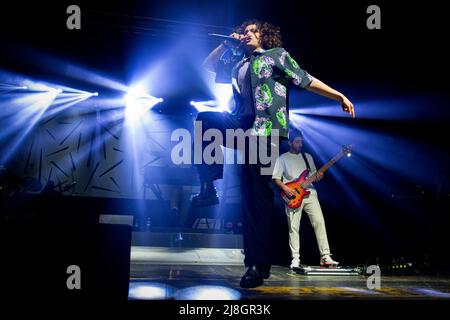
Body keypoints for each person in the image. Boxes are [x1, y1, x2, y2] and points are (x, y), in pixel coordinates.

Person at [195, 19, 355, 288]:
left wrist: (338, 96)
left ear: (264, 36)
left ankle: (257, 265)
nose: (247, 35)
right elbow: (207, 67)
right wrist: (226, 42)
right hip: (241, 125)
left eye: (252, 32)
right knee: (204, 120)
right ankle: (209, 185)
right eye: (244, 32)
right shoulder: (238, 63)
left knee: (254, 198)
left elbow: (306, 79)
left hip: (266, 132)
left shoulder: (276, 56)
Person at [273, 130, 339, 269]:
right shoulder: (283, 158)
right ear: (290, 143)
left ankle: (325, 256)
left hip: (311, 194)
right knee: (293, 227)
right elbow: (276, 178)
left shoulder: (307, 157)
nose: (300, 144)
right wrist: (286, 189)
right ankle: (295, 258)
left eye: (301, 141)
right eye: (297, 142)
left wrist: (319, 176)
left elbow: (314, 174)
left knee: (319, 222)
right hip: (292, 196)